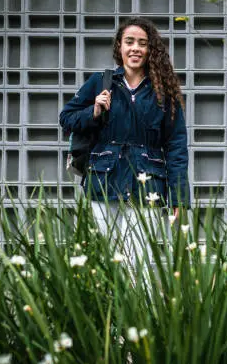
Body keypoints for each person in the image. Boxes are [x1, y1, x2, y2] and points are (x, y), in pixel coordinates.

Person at [59, 17, 190, 282]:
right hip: (103, 184)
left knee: (139, 264)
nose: (136, 48)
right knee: (104, 262)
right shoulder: (100, 82)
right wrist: (93, 111)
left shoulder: (163, 91)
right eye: (129, 42)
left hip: (147, 187)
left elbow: (176, 145)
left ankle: (141, 321)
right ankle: (107, 321)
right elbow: (66, 118)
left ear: (151, 50)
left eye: (143, 43)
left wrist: (178, 197)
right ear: (119, 46)